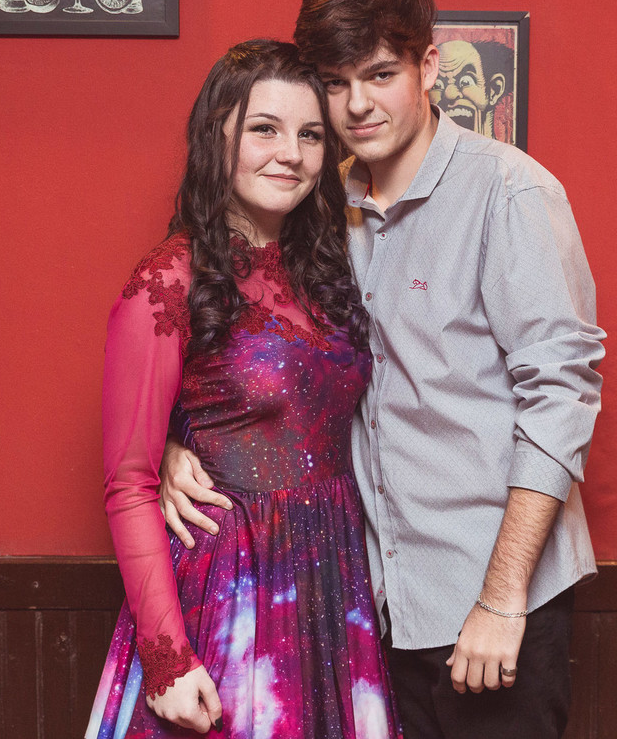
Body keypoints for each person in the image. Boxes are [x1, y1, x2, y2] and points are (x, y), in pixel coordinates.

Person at [159, 0, 605, 739]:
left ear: (429, 65)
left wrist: (502, 600)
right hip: (370, 607)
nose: (358, 104)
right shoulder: (319, 210)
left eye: (380, 73)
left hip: (492, 606)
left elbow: (561, 399)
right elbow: (254, 361)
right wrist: (175, 446)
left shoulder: (511, 193)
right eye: (335, 83)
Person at [85, 39, 400, 739]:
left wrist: (182, 438)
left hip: (330, 591)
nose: (290, 152)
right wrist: (167, 659)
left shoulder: (325, 268)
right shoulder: (169, 280)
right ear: (217, 137)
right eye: (265, 128)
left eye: (310, 135)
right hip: (228, 599)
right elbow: (127, 482)